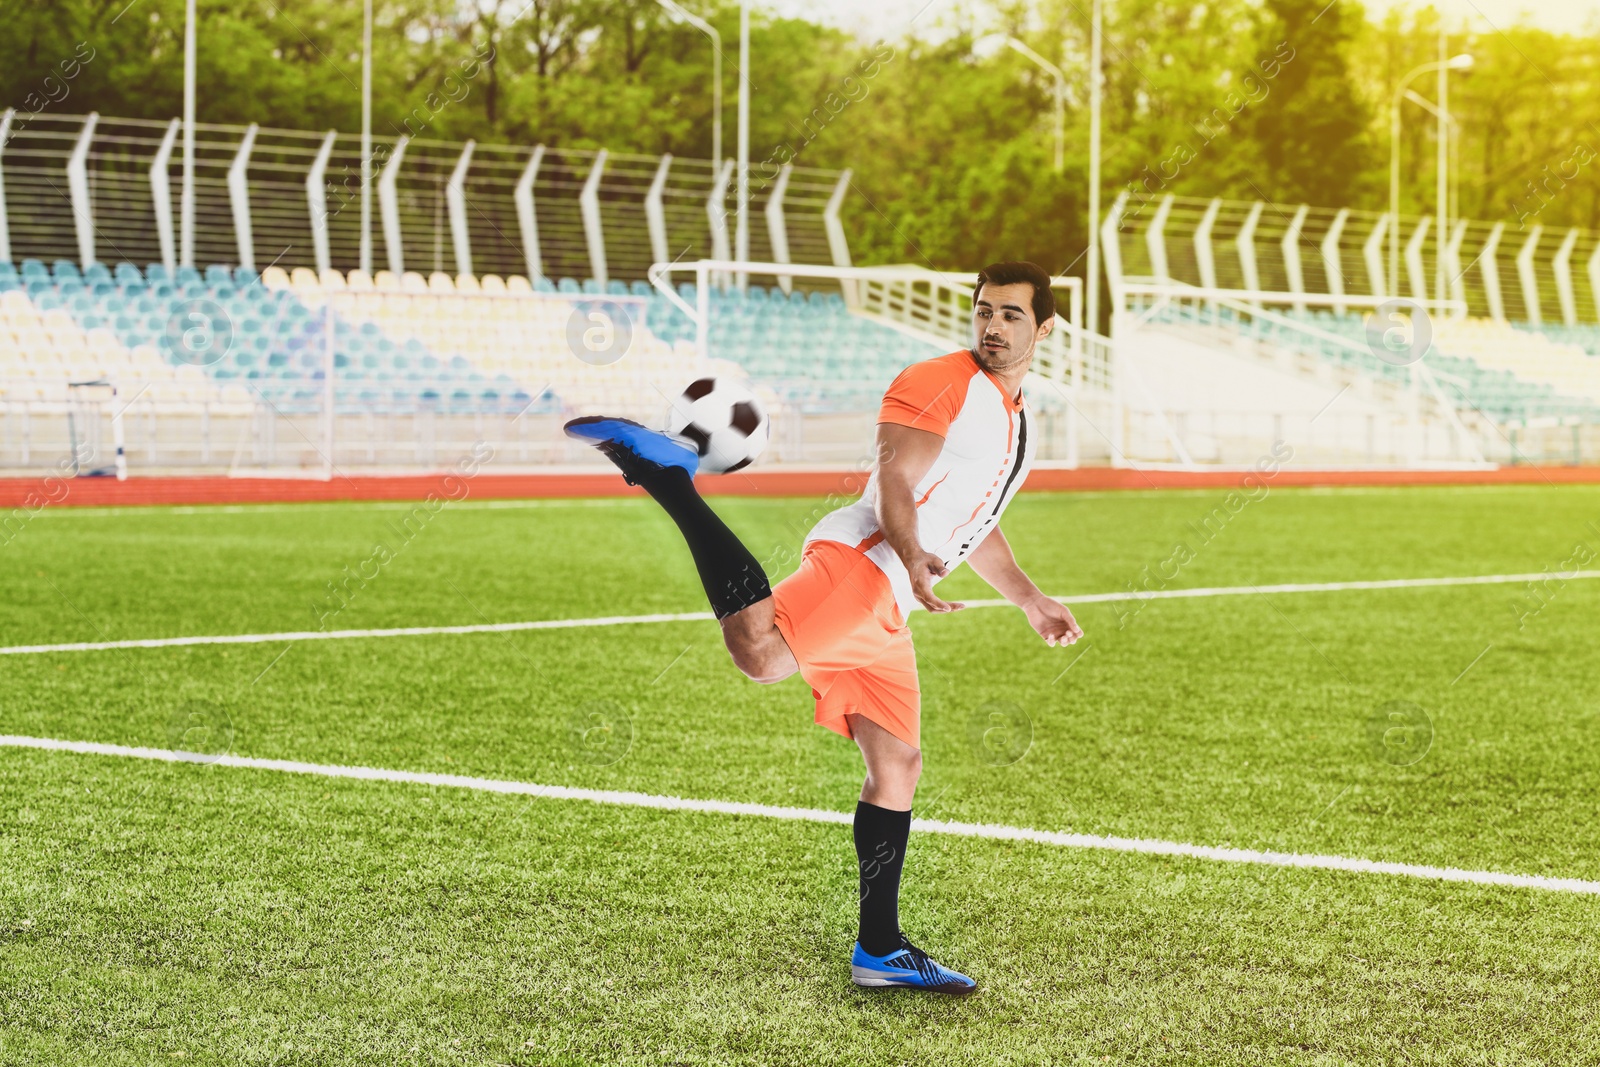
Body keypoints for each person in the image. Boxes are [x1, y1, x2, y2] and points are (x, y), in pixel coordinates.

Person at [564, 260, 1083, 995]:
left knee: (897, 765)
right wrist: (911, 555)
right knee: (762, 653)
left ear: (1044, 327)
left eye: (1011, 316)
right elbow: (895, 479)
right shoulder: (941, 380)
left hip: (894, 601)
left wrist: (1030, 597)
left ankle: (880, 948)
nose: (993, 327)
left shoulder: (1016, 415)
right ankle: (667, 476)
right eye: (984, 311)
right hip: (868, 562)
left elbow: (977, 520)